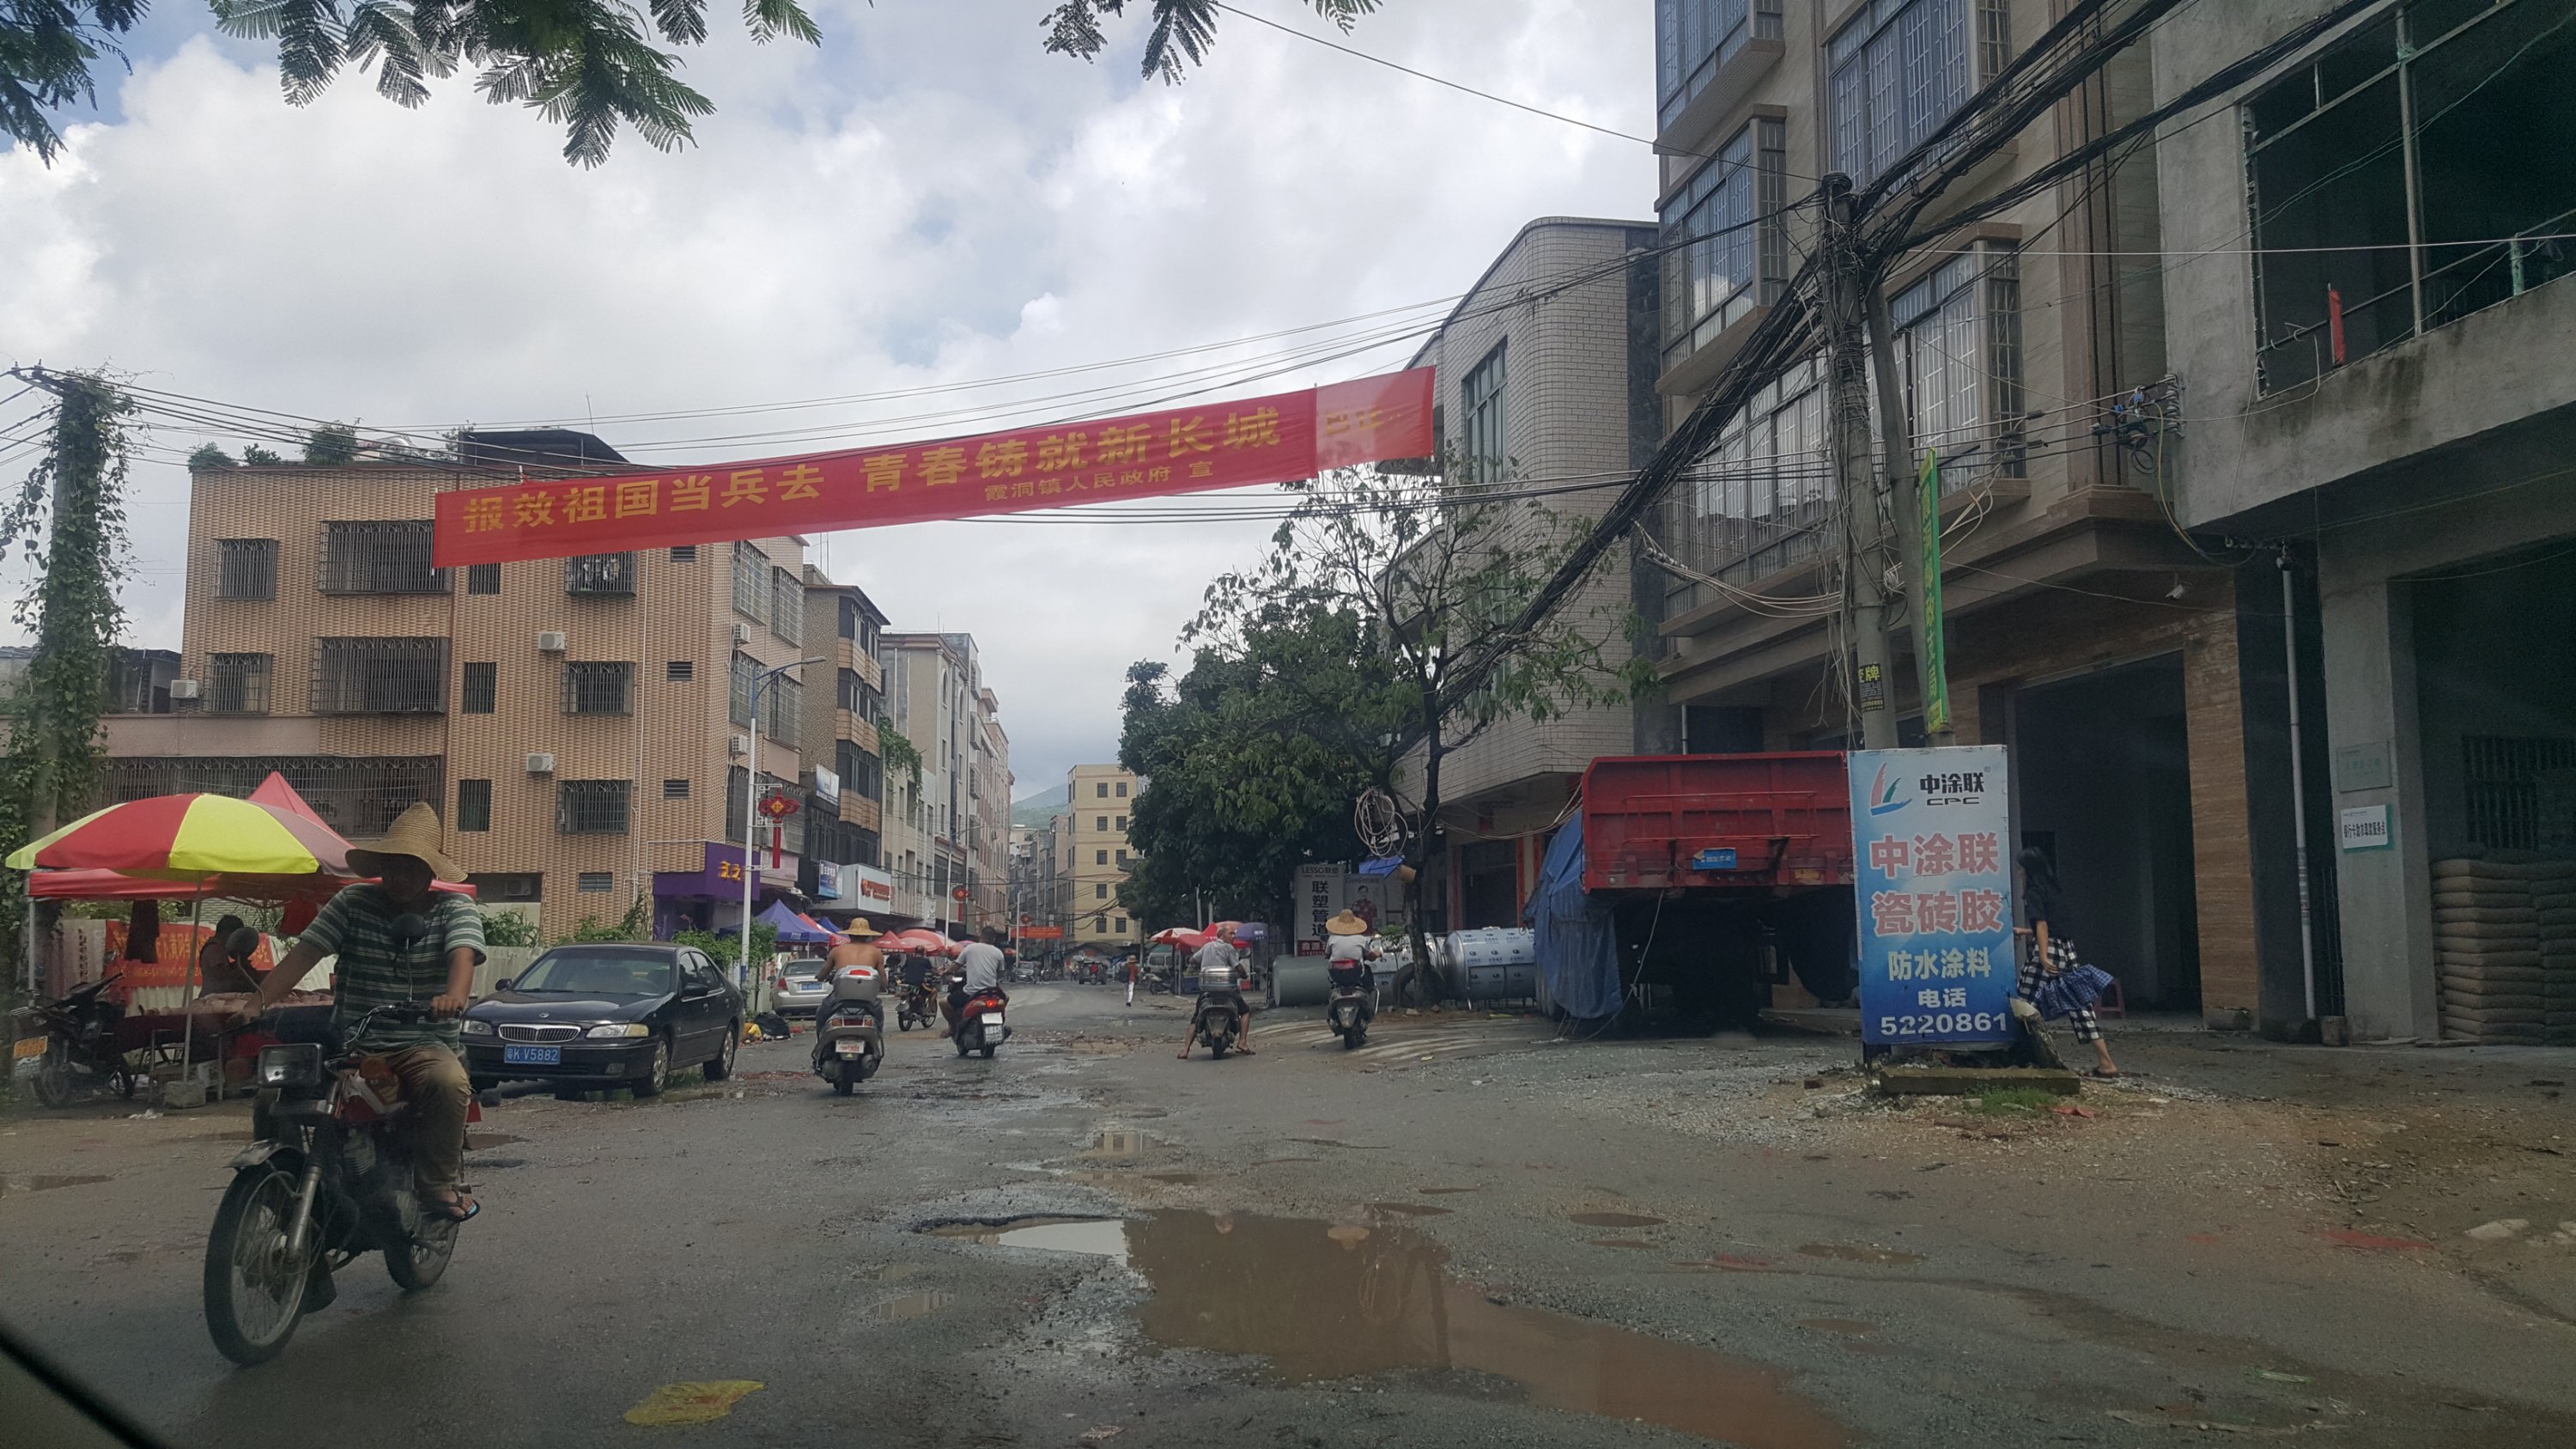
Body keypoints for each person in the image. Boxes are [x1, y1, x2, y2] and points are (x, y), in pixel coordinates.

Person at [234, 803, 486, 1221]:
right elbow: (304, 955)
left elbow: (462, 955)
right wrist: (255, 1003)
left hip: (422, 1042)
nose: (400, 877)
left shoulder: (454, 909)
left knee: (448, 1082)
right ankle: (283, 1178)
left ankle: (438, 1184)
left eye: (411, 867)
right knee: (271, 1096)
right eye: (393, 866)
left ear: (430, 872)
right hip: (351, 1041)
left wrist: (453, 997)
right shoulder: (353, 902)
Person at [2015, 847, 2119, 1079]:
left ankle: (2020, 1056)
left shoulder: (2034, 892)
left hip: (2050, 950)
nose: (2019, 873)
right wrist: (2024, 931)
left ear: (2028, 870)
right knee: (2080, 1005)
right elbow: (2053, 926)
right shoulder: (2054, 889)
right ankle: (2106, 1062)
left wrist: (2043, 956)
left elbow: (2043, 925)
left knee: (2024, 1000)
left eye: (2020, 869)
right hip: (2068, 950)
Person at [811, 918, 884, 1069]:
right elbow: (883, 979)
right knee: (878, 1020)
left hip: (839, 1000)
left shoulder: (837, 951)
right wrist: (884, 986)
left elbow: (823, 972)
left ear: (850, 934)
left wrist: (820, 978)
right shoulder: (876, 952)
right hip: (868, 1001)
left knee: (821, 1014)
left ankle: (820, 1045)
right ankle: (875, 1045)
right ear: (867, 936)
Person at [1179, 924, 1254, 1058]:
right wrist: (1244, 975)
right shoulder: (1228, 948)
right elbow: (1238, 967)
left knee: (1196, 1018)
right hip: (1227, 992)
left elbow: (1192, 960)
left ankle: (1185, 1050)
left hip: (1207, 992)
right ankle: (1242, 1042)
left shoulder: (1207, 947)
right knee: (1245, 1011)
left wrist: (1202, 966)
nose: (1233, 936)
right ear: (1221, 935)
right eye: (1230, 934)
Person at [951, 929, 1007, 1027]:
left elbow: (956, 966)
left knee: (944, 1003)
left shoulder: (970, 948)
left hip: (971, 992)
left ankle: (952, 1028)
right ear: (994, 939)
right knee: (1006, 998)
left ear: (980, 936)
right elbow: (1001, 973)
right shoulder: (998, 953)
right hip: (992, 992)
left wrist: (944, 972)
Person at [198, 916, 264, 996]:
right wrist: (240, 969)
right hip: (213, 997)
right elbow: (221, 973)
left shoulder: (220, 948)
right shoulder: (214, 948)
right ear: (227, 933)